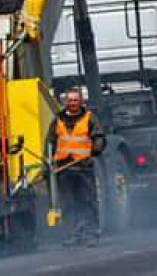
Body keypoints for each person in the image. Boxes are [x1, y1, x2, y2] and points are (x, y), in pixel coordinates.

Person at [47, 87, 106, 247]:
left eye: (75, 100)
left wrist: (95, 149)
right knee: (68, 203)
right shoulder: (57, 120)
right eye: (70, 100)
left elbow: (98, 137)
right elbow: (50, 141)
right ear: (65, 102)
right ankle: (72, 234)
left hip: (84, 167)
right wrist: (49, 160)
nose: (72, 103)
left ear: (80, 101)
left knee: (88, 200)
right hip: (64, 169)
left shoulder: (89, 118)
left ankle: (91, 233)